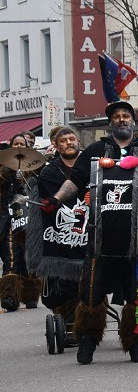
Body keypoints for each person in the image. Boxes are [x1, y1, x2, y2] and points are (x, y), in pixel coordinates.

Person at [42, 101, 138, 365]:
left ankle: (137, 343)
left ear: (132, 121)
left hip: (134, 239)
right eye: (117, 116)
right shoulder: (93, 151)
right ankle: (87, 342)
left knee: (136, 295)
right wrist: (57, 199)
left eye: (126, 115)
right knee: (91, 294)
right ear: (111, 122)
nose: (122, 119)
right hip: (98, 239)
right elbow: (75, 181)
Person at [27, 126, 83, 333]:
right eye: (63, 140)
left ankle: (91, 321)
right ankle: (68, 324)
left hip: (90, 228)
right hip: (62, 232)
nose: (69, 143)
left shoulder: (91, 165)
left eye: (72, 139)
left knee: (92, 279)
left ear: (78, 141)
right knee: (64, 283)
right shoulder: (49, 171)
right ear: (56, 146)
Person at [0, 133, 41, 311]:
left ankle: (30, 295)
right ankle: (9, 295)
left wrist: (25, 175)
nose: (18, 146)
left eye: (21, 143)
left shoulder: (35, 165)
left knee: (28, 254)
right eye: (15, 142)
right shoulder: (3, 166)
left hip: (29, 214)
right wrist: (10, 172)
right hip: (9, 215)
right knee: (11, 255)